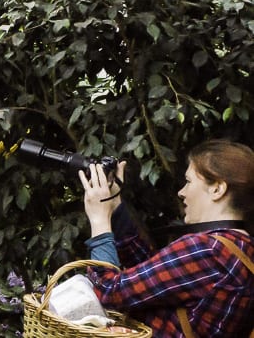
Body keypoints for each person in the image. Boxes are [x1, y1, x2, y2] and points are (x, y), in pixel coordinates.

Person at [79, 139, 254, 337]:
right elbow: (152, 277)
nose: (182, 192)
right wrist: (116, 207)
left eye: (188, 182)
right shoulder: (242, 250)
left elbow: (107, 292)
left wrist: (99, 219)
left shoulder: (206, 249)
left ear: (217, 189)